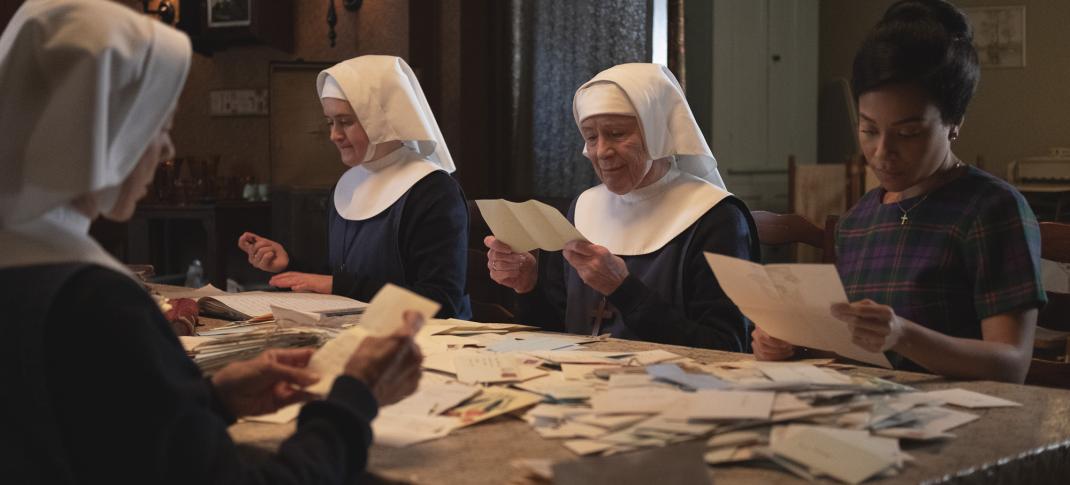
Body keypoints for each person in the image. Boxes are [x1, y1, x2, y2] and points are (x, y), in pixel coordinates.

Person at [0, 2, 422, 482]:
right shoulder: (92, 303)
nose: (167, 149)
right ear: (103, 131)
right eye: (158, 127)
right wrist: (354, 396)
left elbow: (114, 442)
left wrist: (211, 399)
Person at [752, 0, 1045, 383]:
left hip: (960, 420)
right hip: (865, 415)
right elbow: (852, 347)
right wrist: (792, 344)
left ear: (954, 123)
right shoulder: (858, 220)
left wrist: (904, 335)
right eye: (869, 129)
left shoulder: (992, 209)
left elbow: (1010, 364)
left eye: (908, 133)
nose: (882, 152)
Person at [486, 64, 758, 351]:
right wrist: (528, 286)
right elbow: (554, 332)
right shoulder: (582, 208)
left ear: (657, 134)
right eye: (591, 137)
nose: (602, 151)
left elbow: (726, 347)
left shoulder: (714, 217)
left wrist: (623, 289)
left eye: (616, 133)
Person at [237, 56, 471, 319]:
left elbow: (440, 303)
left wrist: (337, 286)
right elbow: (340, 275)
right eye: (330, 122)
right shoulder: (347, 184)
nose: (334, 135)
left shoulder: (433, 191)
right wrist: (289, 263)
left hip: (428, 346)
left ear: (381, 119)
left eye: (345, 121)